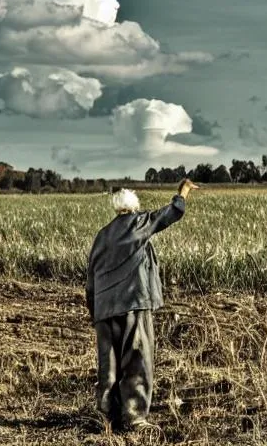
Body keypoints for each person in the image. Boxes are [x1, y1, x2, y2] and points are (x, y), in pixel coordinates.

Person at [86, 179, 199, 431]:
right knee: (137, 361)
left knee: (109, 366)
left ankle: (105, 417)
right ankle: (135, 418)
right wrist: (183, 191)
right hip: (133, 303)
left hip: (104, 309)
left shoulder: (102, 235)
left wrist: (96, 312)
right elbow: (172, 213)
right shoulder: (139, 223)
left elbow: (91, 278)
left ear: (116, 209)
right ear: (134, 208)